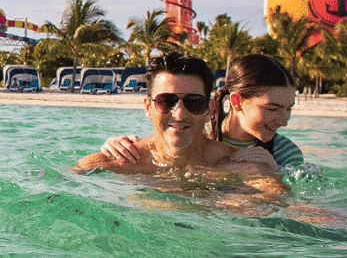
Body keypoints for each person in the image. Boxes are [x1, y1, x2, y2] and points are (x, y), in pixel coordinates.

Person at [71, 52, 283, 180]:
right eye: (166, 101)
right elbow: (62, 184)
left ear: (209, 110)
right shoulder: (119, 162)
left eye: (194, 102)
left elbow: (282, 208)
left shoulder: (239, 165)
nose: (180, 113)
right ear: (148, 107)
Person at [102, 54, 304, 168]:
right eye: (272, 108)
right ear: (237, 101)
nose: (284, 121)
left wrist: (275, 172)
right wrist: (115, 146)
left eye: (288, 109)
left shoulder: (284, 152)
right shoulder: (195, 131)